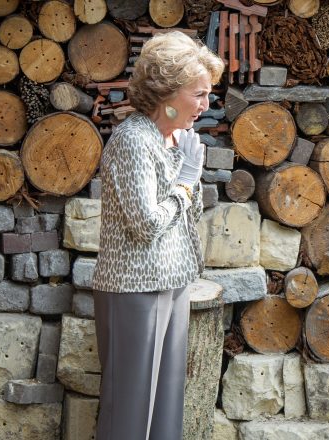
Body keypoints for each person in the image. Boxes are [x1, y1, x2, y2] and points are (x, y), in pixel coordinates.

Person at [92, 31, 224, 440]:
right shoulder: (133, 141)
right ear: (167, 92)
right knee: (129, 412)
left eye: (208, 95)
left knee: (166, 407)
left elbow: (187, 218)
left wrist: (189, 180)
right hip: (134, 289)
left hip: (172, 281)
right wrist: (186, 184)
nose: (205, 105)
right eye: (198, 94)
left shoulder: (171, 139)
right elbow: (146, 224)